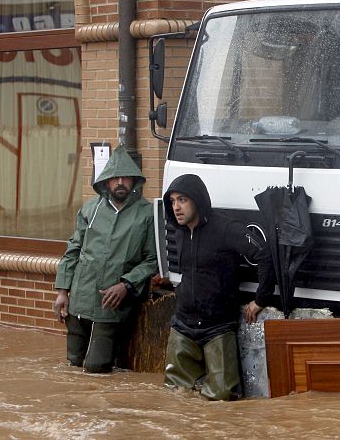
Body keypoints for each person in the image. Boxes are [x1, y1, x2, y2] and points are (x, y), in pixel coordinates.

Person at [162, 173, 274, 401]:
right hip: (183, 326)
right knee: (175, 396)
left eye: (182, 200)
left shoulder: (226, 228)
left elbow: (264, 254)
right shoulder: (178, 231)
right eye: (172, 201)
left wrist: (261, 299)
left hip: (218, 327)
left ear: (198, 200)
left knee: (223, 397)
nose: (176, 207)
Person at [53, 145, 158, 373]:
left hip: (112, 303)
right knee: (73, 364)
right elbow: (73, 249)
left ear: (134, 181)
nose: (120, 182)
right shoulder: (91, 208)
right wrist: (62, 292)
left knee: (96, 367)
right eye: (114, 177)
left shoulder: (146, 213)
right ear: (106, 182)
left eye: (125, 178)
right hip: (80, 297)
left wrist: (126, 285)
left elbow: (152, 260)